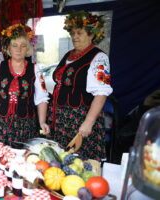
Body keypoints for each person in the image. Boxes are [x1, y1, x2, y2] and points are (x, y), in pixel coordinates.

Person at [47, 11, 113, 161]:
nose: (75, 37)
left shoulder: (99, 58)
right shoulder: (69, 54)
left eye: (80, 33)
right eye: (73, 33)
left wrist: (88, 123)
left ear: (91, 35)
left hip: (79, 119)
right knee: (60, 159)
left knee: (78, 161)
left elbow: (101, 93)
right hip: (61, 117)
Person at [0, 24, 50, 145]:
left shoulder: (35, 69)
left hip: (25, 125)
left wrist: (42, 122)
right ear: (9, 48)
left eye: (23, 46)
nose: (18, 49)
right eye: (15, 45)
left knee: (23, 159)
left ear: (28, 49)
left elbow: (41, 98)